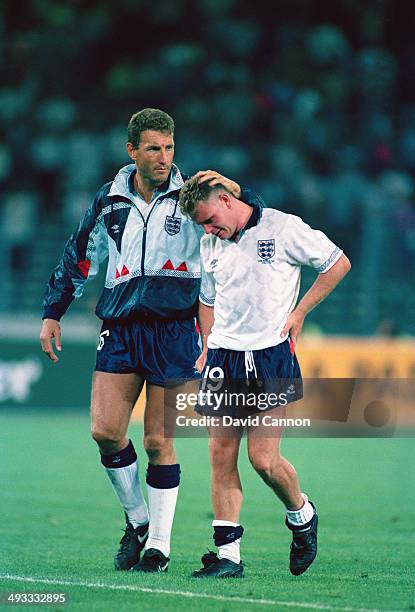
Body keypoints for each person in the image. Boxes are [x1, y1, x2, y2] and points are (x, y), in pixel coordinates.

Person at [39, 108, 261, 573]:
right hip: (120, 328)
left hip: (175, 330)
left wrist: (241, 194)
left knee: (159, 441)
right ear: (132, 151)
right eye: (154, 149)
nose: (164, 158)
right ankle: (138, 521)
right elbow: (80, 255)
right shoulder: (110, 201)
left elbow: (240, 220)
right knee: (104, 431)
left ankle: (158, 547)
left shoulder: (189, 196)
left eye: (170, 148)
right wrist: (52, 312)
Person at [179, 175, 351, 578]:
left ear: (225, 199)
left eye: (209, 220)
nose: (208, 231)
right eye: (202, 226)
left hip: (270, 356)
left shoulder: (282, 227)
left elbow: (337, 263)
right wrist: (207, 344)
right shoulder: (210, 244)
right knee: (220, 455)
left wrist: (300, 311)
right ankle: (228, 557)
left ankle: (302, 516)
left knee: (264, 460)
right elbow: (207, 299)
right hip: (224, 357)